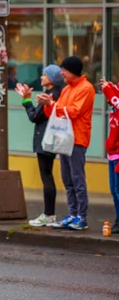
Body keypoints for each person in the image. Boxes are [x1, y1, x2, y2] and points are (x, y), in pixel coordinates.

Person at [36, 56, 95, 231]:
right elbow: (55, 111)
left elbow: (74, 112)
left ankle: (81, 217)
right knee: (67, 179)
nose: (61, 73)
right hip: (64, 139)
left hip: (77, 139)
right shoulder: (68, 89)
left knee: (77, 180)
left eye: (64, 70)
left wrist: (51, 104)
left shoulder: (86, 88)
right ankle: (72, 213)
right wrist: (47, 104)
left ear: (73, 71)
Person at [15, 65, 63, 227]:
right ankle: (49, 213)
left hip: (46, 140)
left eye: (44, 75)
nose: (41, 77)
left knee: (47, 177)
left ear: (52, 79)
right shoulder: (55, 93)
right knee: (48, 176)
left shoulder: (51, 95)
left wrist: (27, 100)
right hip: (49, 138)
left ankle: (49, 213)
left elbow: (34, 116)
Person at [100, 77, 119, 234]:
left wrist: (108, 90)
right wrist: (112, 87)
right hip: (112, 151)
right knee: (113, 190)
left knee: (118, 190)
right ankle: (118, 219)